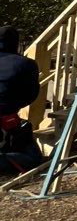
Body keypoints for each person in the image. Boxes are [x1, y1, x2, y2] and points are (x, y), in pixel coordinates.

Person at [0, 25, 43, 177]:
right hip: (5, 120)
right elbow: (30, 95)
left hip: (7, 121)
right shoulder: (25, 64)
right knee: (35, 161)